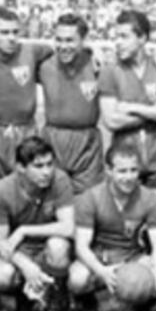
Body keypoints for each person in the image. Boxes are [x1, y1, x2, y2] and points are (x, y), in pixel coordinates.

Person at [68, 142, 156, 311]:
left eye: (133, 170)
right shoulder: (90, 198)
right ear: (109, 171)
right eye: (122, 171)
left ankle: (136, 310)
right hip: (101, 257)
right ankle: (90, 305)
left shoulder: (149, 198)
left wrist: (155, 274)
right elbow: (81, 247)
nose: (128, 177)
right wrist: (101, 271)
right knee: (77, 278)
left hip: (132, 256)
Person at [0, 136, 76, 311]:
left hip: (47, 246)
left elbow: (68, 227)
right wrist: (25, 265)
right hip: (21, 250)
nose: (47, 172)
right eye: (38, 166)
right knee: (2, 275)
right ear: (20, 167)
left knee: (58, 246)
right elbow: (0, 242)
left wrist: (24, 230)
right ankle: (24, 299)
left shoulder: (60, 180)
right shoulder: (1, 191)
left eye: (49, 164)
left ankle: (53, 307)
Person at [98, 10, 156, 187]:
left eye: (124, 37)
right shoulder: (110, 71)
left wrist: (131, 107)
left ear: (142, 38)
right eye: (116, 37)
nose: (118, 43)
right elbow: (112, 120)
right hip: (126, 159)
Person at [0, 7, 52, 184]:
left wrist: (88, 54)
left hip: (27, 131)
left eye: (15, 32)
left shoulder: (31, 52)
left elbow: (62, 53)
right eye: (4, 32)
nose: (11, 38)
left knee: (30, 188)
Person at [37, 13, 103, 194]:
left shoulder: (98, 66)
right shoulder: (44, 66)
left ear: (83, 40)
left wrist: (95, 51)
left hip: (87, 144)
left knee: (88, 203)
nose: (63, 46)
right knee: (51, 201)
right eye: (59, 40)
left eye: (70, 40)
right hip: (53, 140)